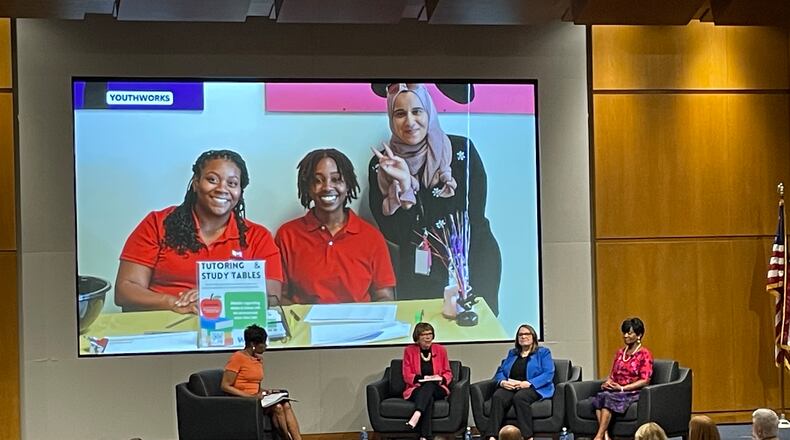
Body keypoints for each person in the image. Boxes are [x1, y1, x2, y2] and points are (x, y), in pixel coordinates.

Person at [368, 83, 502, 314]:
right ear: (391, 117)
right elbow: (395, 234)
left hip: (472, 264)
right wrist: (404, 187)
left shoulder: (461, 151)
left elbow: (474, 217)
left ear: (429, 112)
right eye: (400, 114)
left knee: (475, 341)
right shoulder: (382, 165)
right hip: (419, 273)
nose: (409, 122)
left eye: (417, 111)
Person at [115, 149, 283, 313]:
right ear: (196, 183)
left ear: (240, 192)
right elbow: (126, 290)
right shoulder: (157, 223)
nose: (222, 189)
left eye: (232, 183)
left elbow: (272, 296)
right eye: (212, 179)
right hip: (161, 323)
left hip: (228, 327)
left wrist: (215, 297)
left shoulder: (258, 236)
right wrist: (174, 303)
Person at [275, 148, 396, 303]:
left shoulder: (371, 236)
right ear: (308, 188)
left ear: (348, 185)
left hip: (360, 326)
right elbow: (279, 297)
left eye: (336, 179)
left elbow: (385, 297)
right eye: (318, 180)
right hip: (306, 326)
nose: (327, 187)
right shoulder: (287, 235)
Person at [221, 324, 302, 440]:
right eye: (263, 343)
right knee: (278, 407)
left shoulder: (258, 360)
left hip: (258, 398)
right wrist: (250, 396)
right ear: (253, 344)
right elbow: (225, 386)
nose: (266, 346)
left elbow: (254, 385)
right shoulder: (237, 358)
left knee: (286, 405)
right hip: (243, 401)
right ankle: (286, 438)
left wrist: (267, 392)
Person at [484, 324, 555, 440]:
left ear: (533, 337)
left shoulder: (543, 352)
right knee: (498, 396)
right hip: (512, 386)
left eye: (527, 334)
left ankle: (527, 436)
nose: (523, 337)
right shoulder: (512, 353)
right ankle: (492, 436)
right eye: (520, 334)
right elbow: (501, 371)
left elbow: (548, 373)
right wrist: (502, 382)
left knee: (520, 397)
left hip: (533, 387)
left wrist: (529, 383)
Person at [590, 317, 653, 440]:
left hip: (633, 391)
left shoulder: (645, 354)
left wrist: (623, 388)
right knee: (600, 397)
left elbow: (645, 380)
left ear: (639, 335)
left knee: (607, 398)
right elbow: (612, 375)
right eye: (624, 333)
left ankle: (599, 436)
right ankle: (606, 436)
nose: (625, 336)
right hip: (616, 390)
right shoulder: (620, 353)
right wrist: (608, 383)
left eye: (629, 333)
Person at [402, 322, 453, 440]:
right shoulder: (409, 351)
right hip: (416, 387)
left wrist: (441, 378)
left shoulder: (441, 350)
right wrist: (422, 380)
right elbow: (407, 374)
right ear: (417, 337)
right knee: (428, 397)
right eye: (424, 334)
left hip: (438, 388)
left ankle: (417, 414)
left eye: (430, 334)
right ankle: (425, 436)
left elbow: (448, 372)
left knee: (430, 384)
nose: (428, 337)